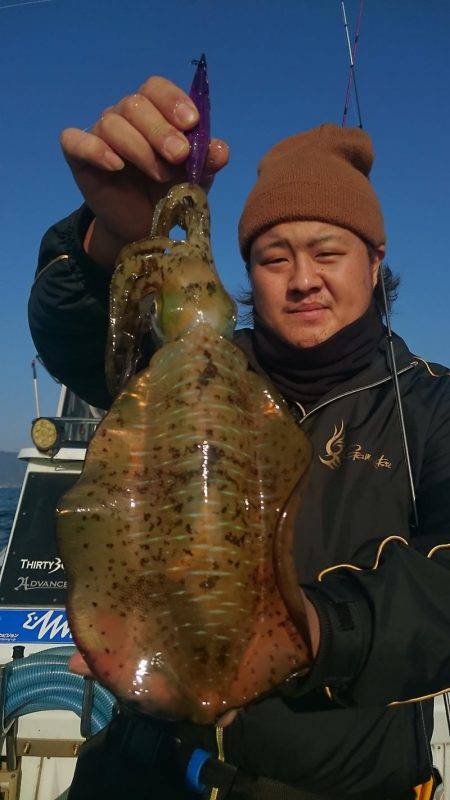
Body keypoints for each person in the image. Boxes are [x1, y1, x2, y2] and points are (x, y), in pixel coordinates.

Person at [28, 75, 450, 800]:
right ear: (246, 274)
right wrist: (111, 239)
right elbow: (81, 340)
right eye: (273, 257)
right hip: (147, 769)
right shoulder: (189, 372)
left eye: (328, 252)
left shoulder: (432, 406)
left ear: (376, 263)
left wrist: (311, 631)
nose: (302, 280)